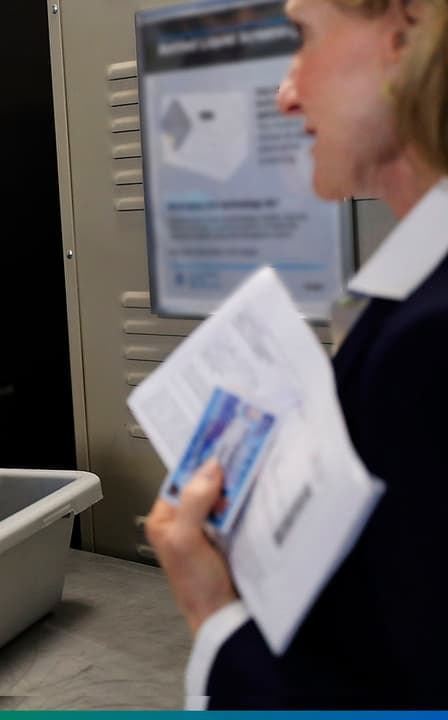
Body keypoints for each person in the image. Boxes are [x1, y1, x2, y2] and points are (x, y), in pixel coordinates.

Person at [146, 0, 448, 708]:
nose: (285, 94)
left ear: (406, 34)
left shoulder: (429, 342)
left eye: (304, 37)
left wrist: (212, 612)